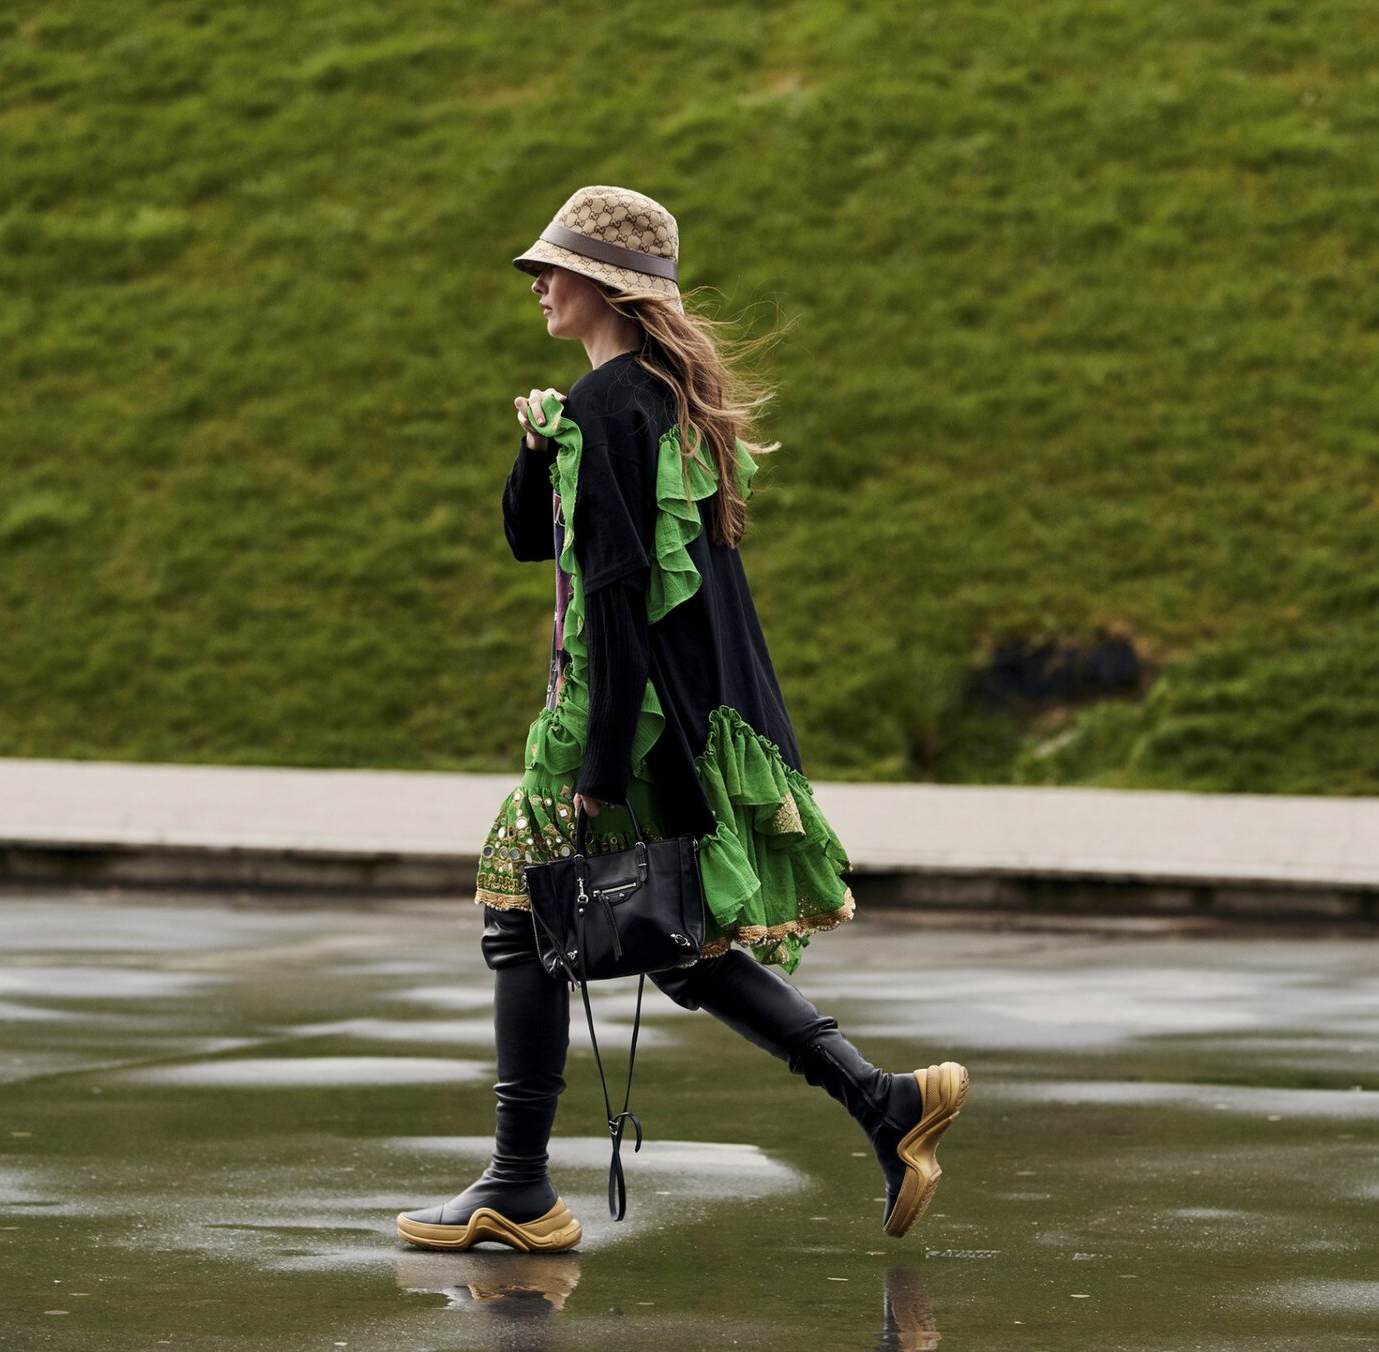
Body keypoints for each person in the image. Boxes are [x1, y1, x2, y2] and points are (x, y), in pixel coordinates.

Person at [396, 186, 968, 1253]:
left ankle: (519, 1187)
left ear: (607, 285)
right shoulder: (649, 399)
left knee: (519, 914)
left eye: (554, 268)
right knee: (679, 943)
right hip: (671, 720)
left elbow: (618, 598)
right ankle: (887, 1102)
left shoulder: (613, 403)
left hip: (611, 720)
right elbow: (534, 540)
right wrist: (536, 450)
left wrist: (599, 765)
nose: (537, 284)